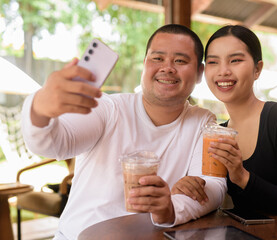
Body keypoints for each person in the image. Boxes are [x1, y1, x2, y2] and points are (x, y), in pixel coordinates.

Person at [21, 24, 226, 240]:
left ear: (199, 73)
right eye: (157, 58)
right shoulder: (107, 108)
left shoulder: (202, 121)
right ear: (144, 64)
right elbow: (54, 145)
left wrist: (169, 208)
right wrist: (40, 109)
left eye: (180, 61)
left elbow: (213, 185)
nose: (167, 68)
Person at [171, 25, 277, 220]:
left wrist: (242, 177)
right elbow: (214, 198)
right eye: (213, 62)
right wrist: (187, 187)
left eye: (235, 60)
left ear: (257, 69)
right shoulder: (218, 132)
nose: (223, 71)